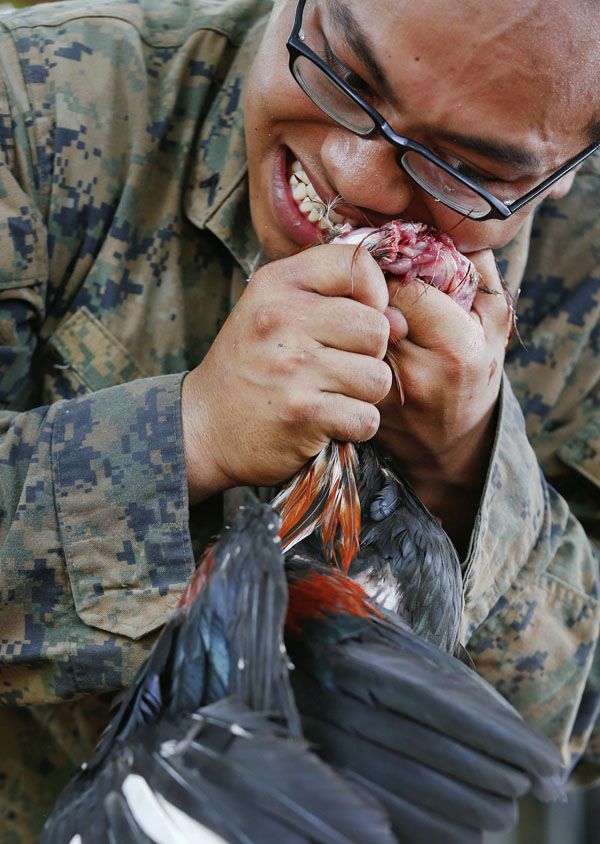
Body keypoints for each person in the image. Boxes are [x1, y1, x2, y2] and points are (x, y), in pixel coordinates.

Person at [0, 0, 598, 839]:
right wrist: (189, 434)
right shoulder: (35, 102)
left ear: (569, 169)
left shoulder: (591, 265)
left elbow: (569, 748)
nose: (354, 173)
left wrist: (469, 470)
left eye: (462, 165)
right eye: (345, 75)